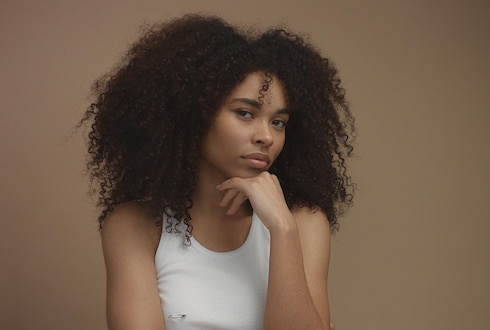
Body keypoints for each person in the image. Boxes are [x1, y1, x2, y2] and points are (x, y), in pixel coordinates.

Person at [81, 14, 355, 330]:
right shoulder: (136, 227)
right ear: (194, 114)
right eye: (245, 113)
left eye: (278, 122)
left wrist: (281, 229)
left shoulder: (303, 224)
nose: (266, 136)